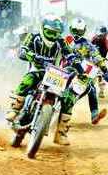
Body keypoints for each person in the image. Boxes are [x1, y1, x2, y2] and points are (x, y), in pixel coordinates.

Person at [5, 14, 78, 145]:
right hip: (36, 70)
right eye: (50, 32)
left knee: (69, 98)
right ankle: (15, 109)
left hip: (55, 74)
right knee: (28, 80)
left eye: (56, 33)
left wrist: (75, 60)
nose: (53, 36)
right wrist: (31, 55)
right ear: (43, 28)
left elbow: (70, 53)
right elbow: (22, 50)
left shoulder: (61, 41)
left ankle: (61, 133)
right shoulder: (33, 37)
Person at [65, 18, 108, 125]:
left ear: (83, 31)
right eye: (75, 30)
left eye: (79, 31)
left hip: (81, 70)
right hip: (64, 68)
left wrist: (103, 66)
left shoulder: (87, 44)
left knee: (91, 89)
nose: (77, 33)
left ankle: (94, 114)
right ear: (71, 30)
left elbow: (96, 55)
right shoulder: (65, 40)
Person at [91, 25, 108, 98]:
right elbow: (86, 45)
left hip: (101, 61)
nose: (99, 37)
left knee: (101, 75)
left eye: (101, 35)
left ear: (105, 35)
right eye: (98, 35)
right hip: (91, 60)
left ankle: (101, 91)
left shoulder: (106, 42)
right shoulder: (93, 39)